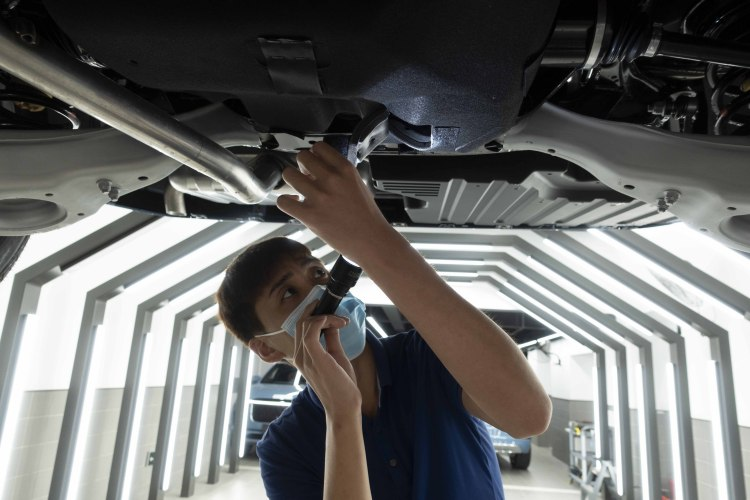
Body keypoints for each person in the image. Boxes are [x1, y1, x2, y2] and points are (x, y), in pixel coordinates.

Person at [216, 142, 552, 500]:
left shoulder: (431, 356)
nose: (319, 290)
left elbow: (528, 417)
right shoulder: (285, 448)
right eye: (288, 294)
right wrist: (343, 416)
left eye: (317, 272)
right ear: (266, 347)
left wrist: (372, 239)